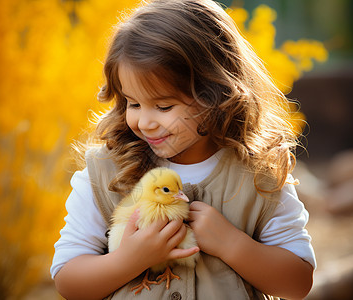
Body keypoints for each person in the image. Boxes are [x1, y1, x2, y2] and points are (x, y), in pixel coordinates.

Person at [51, 0, 316, 299]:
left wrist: (232, 244)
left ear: (217, 94)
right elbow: (68, 280)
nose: (145, 121)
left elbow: (297, 282)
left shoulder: (259, 176)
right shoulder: (107, 173)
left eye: (163, 106)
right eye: (133, 104)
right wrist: (129, 260)